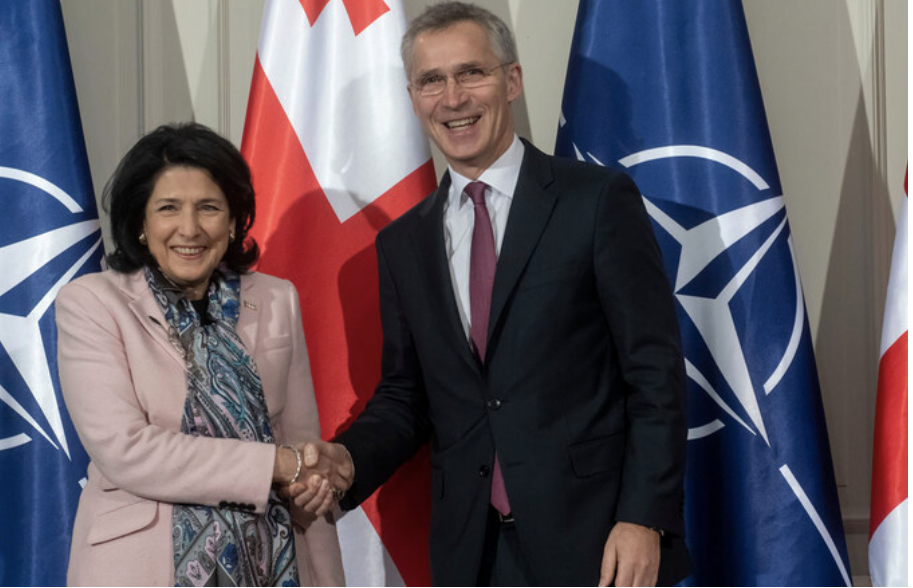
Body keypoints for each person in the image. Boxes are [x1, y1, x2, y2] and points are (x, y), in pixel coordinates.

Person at [290, 2, 690, 586]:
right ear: (412, 97)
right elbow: (408, 396)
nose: (453, 98)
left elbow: (655, 375)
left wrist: (643, 519)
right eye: (432, 81)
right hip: (469, 552)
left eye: (470, 72)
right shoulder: (403, 244)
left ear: (512, 80)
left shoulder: (596, 202)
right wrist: (349, 460)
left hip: (598, 541)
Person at [55, 123, 346, 586]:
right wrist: (275, 464)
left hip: (276, 565)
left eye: (208, 208)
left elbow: (302, 449)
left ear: (233, 222)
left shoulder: (276, 298)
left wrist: (310, 484)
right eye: (168, 208)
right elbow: (127, 450)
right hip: (142, 567)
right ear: (141, 223)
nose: (189, 229)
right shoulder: (91, 303)